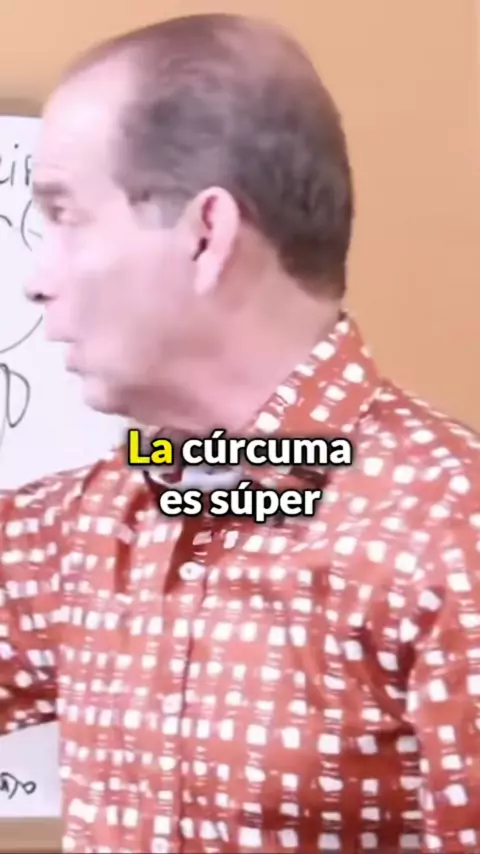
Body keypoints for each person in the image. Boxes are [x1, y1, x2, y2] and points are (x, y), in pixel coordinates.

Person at [1, 12, 479, 854]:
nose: (38, 281)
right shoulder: (87, 525)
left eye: (67, 215)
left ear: (205, 235)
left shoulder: (451, 534)